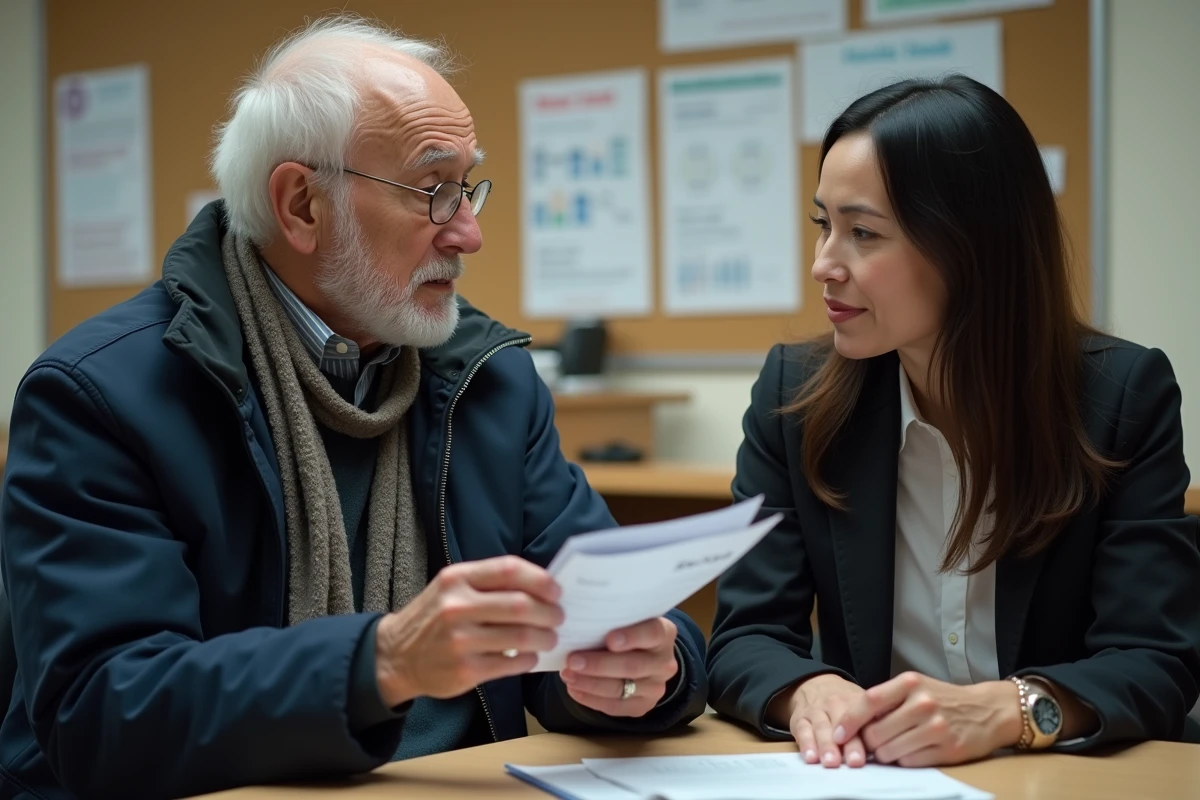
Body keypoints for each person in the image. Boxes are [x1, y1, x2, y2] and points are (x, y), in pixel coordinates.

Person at [0, 16, 706, 799]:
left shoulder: (486, 380)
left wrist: (642, 671)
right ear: (302, 204)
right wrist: (385, 661)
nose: (468, 232)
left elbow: (599, 622)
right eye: (433, 191)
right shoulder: (104, 395)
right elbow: (102, 714)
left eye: (469, 186)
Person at [707, 75, 1200, 769]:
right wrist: (808, 688)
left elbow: (1157, 662)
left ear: (970, 247)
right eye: (824, 225)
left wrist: (1009, 709)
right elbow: (744, 636)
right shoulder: (797, 395)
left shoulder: (1120, 397)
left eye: (863, 234)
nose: (824, 265)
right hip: (873, 779)